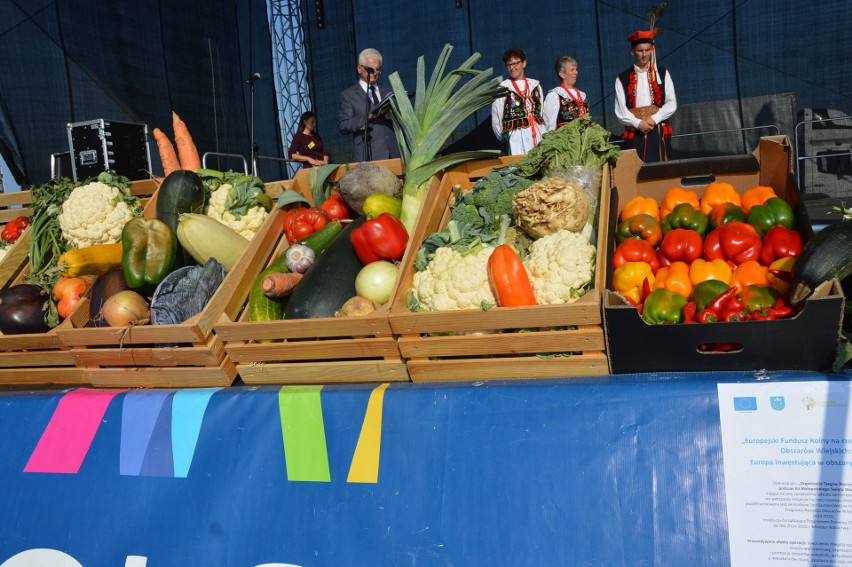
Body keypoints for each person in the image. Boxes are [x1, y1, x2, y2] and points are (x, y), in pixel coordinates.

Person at [614, 29, 677, 162]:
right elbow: (620, 111)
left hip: (657, 129)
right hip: (635, 132)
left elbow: (672, 103)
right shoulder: (622, 78)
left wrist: (654, 119)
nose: (644, 55)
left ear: (652, 50)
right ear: (632, 52)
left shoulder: (663, 73)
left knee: (662, 168)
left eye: (647, 50)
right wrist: (638, 123)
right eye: (640, 51)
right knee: (638, 171)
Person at [338, 48, 400, 162]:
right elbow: (344, 125)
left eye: (378, 70)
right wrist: (367, 118)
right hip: (369, 156)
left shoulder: (388, 91)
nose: (374, 73)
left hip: (394, 155)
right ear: (359, 69)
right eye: (371, 69)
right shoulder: (348, 95)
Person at [491, 48, 545, 155]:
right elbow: (496, 118)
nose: (512, 67)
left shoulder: (535, 86)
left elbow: (541, 112)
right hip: (515, 140)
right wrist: (506, 137)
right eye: (509, 64)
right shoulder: (503, 88)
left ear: (524, 63)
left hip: (538, 136)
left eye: (515, 63)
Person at [542, 55, 590, 132]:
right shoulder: (555, 95)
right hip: (566, 141)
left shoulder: (582, 95)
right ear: (562, 74)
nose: (576, 72)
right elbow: (549, 124)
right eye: (572, 70)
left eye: (576, 69)